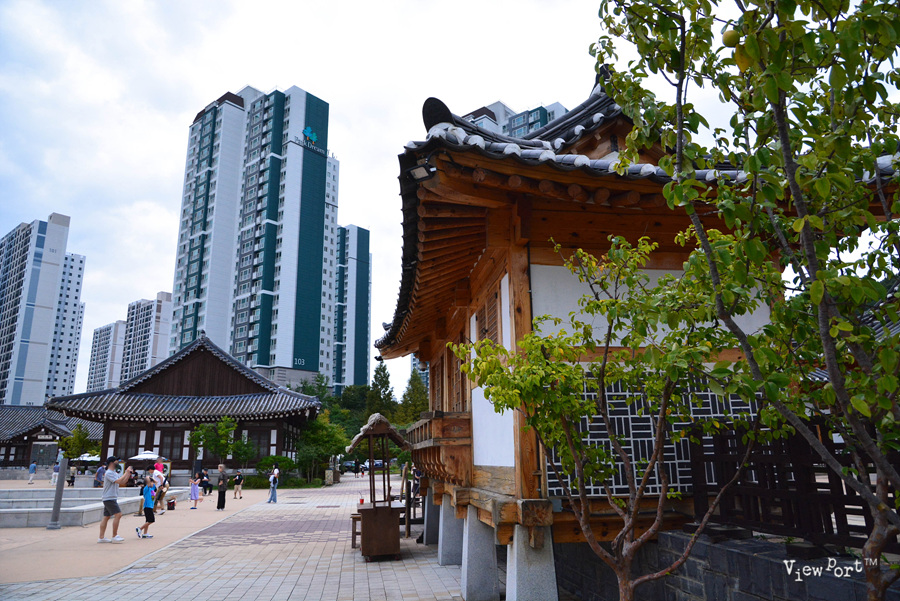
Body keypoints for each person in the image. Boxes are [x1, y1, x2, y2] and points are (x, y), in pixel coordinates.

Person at [98, 456, 132, 544]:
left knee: (106, 516)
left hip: (110, 497)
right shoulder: (109, 473)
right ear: (112, 462)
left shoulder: (114, 473)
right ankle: (114, 536)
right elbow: (118, 481)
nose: (118, 462)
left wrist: (128, 474)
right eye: (116, 461)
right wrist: (126, 472)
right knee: (118, 514)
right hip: (109, 497)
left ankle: (101, 537)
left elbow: (122, 482)